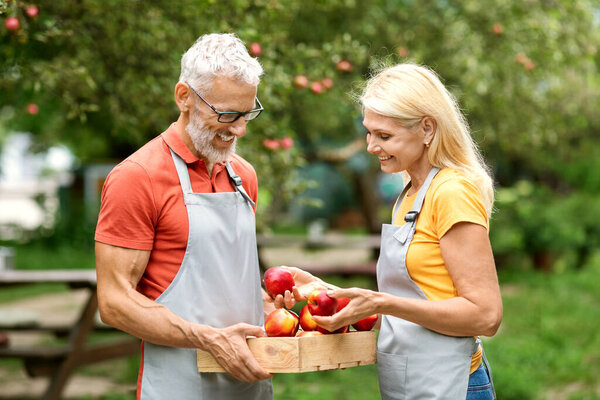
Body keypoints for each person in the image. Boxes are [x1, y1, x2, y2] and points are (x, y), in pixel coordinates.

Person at [282, 63, 503, 400]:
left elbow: (485, 315)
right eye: (368, 132)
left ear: (427, 129)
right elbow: (420, 295)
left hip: (453, 385)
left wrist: (381, 303)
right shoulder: (408, 194)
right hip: (412, 385)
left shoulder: (451, 192)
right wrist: (328, 292)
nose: (371, 146)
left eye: (384, 136)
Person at [94, 33, 274, 399]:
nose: (238, 129)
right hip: (179, 383)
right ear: (184, 97)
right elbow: (114, 302)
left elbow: (220, 281)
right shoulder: (137, 177)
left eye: (246, 113)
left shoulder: (243, 175)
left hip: (249, 384)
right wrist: (207, 339)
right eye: (226, 114)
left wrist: (268, 302)